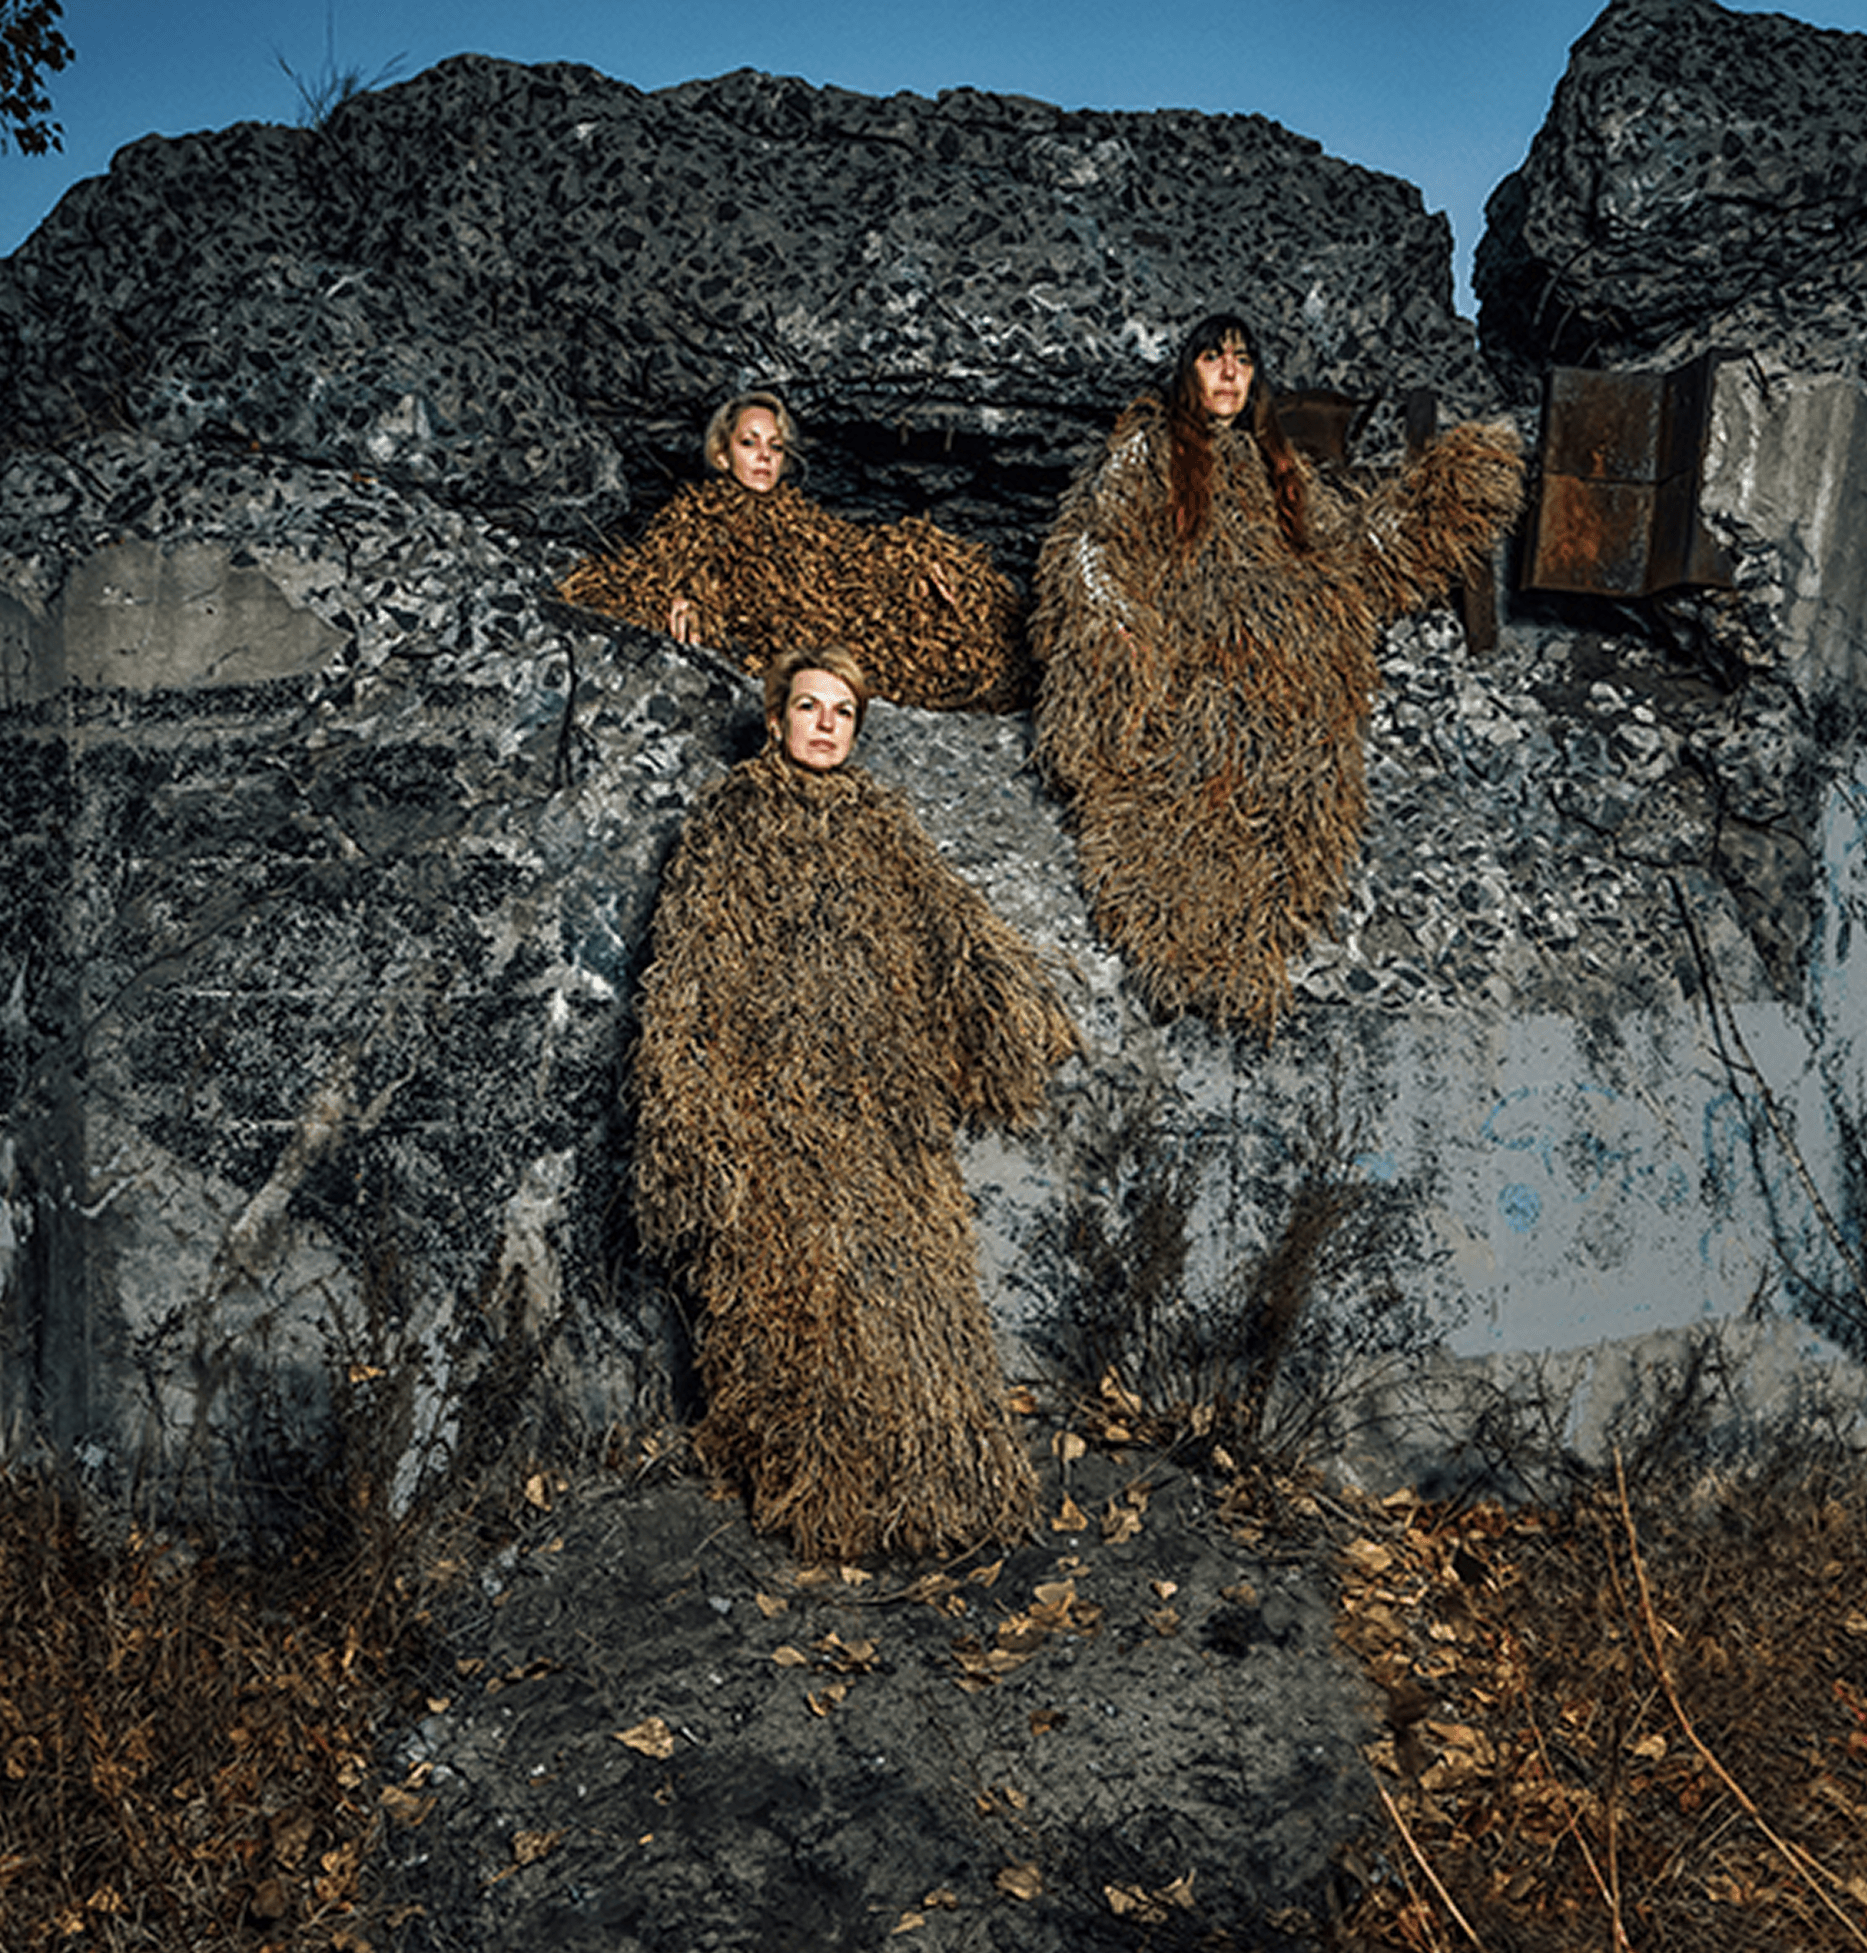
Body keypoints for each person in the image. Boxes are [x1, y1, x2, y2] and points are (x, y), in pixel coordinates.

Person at [630, 647, 1082, 1559]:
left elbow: (951, 925)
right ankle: (829, 1508)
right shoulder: (729, 825)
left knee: (916, 1303)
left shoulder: (884, 826)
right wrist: (697, 1122)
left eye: (843, 712)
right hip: (778, 1114)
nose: (826, 725)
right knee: (802, 1311)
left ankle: (946, 1501)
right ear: (775, 719)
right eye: (809, 707)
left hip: (889, 1111)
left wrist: (1013, 1011)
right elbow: (686, 978)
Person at [1030, 311, 1529, 1032]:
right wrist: (1122, 641)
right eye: (1212, 358)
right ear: (1188, 372)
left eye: (1241, 360)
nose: (1229, 373)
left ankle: (1243, 967)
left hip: (1290, 691)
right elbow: (1094, 549)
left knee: (1286, 820)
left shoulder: (1277, 463)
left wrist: (1434, 505)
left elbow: (1350, 553)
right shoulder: (1146, 450)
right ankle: (1178, 963)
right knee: (1180, 816)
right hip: (1191, 675)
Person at [559, 391, 1029, 711]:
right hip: (801, 633)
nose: (764, 456)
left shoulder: (798, 514)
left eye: (776, 447)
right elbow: (650, 570)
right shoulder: (696, 514)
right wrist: (678, 595)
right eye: (750, 443)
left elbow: (853, 549)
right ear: (723, 455)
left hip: (847, 607)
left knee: (955, 594)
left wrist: (921, 555)